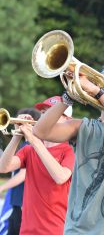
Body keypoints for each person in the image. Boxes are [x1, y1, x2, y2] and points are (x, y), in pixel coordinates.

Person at [33, 64, 104, 235]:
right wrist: (67, 98)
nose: (99, 85)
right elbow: (40, 131)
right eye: (97, 81)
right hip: (79, 229)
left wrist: (97, 92)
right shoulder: (82, 126)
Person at [0, 97, 75, 235]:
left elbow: (60, 177)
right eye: (44, 112)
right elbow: (3, 167)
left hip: (55, 230)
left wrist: (34, 139)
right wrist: (17, 135)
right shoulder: (30, 149)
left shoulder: (69, 151)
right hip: (27, 230)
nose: (46, 116)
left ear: (68, 120)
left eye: (52, 112)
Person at [0, 107, 41, 235]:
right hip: (18, 200)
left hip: (22, 202)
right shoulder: (25, 145)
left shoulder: (30, 146)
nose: (17, 123)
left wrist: (2, 188)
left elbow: (23, 174)